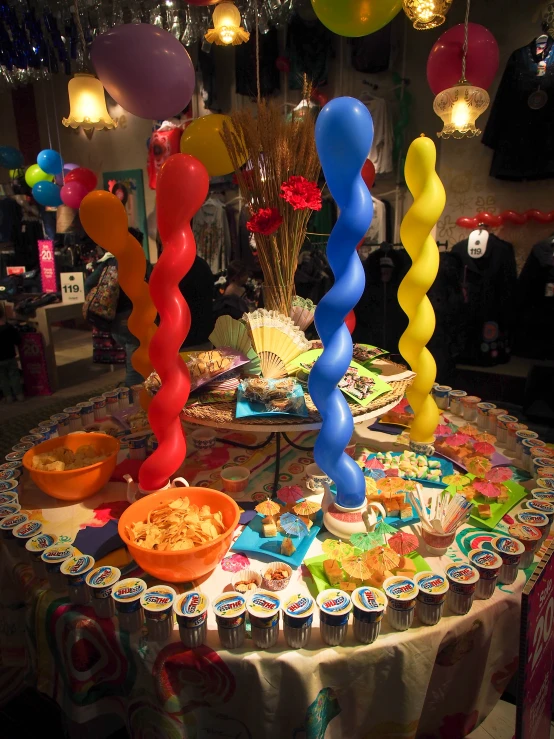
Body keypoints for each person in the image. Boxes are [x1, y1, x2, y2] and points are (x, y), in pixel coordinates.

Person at [85, 227, 149, 387]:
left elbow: (89, 283)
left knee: (131, 357)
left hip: (114, 318)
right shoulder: (138, 261)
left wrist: (106, 301)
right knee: (135, 360)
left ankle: (132, 393)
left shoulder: (109, 262)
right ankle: (133, 398)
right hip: (132, 317)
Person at [0, 302, 23, 402]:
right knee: (14, 376)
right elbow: (17, 340)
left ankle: (8, 396)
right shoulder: (9, 327)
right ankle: (19, 395)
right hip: (10, 356)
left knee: (2, 378)